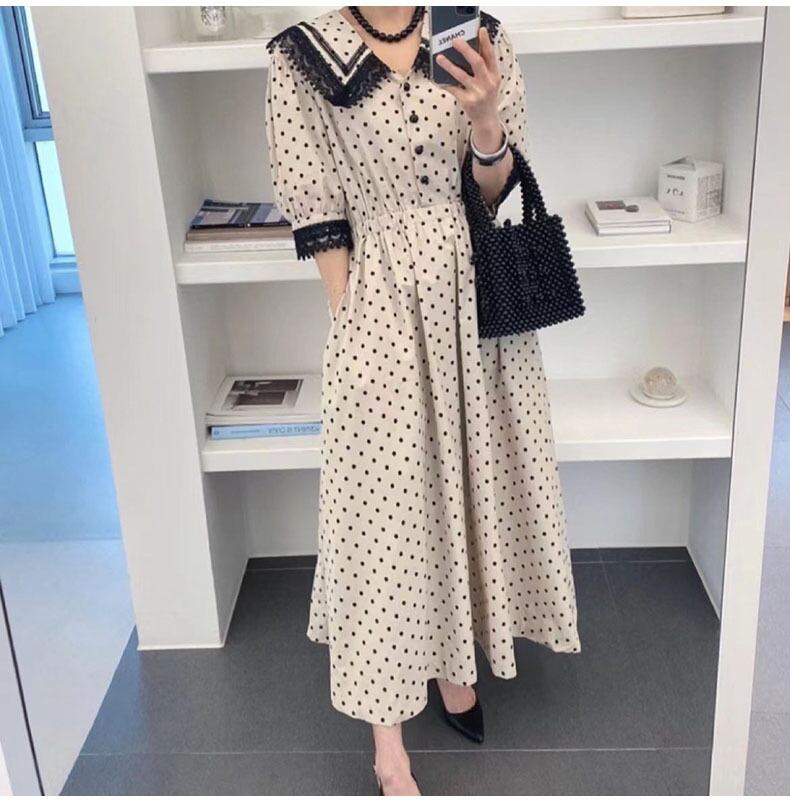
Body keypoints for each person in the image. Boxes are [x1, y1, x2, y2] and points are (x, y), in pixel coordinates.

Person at [264, 6, 580, 795]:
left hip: (478, 301)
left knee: (473, 488)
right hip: (379, 302)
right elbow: (316, 205)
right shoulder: (304, 56)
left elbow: (496, 191)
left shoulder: (477, 34)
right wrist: (351, 321)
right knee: (386, 514)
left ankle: (453, 665)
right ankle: (387, 739)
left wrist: (486, 119)